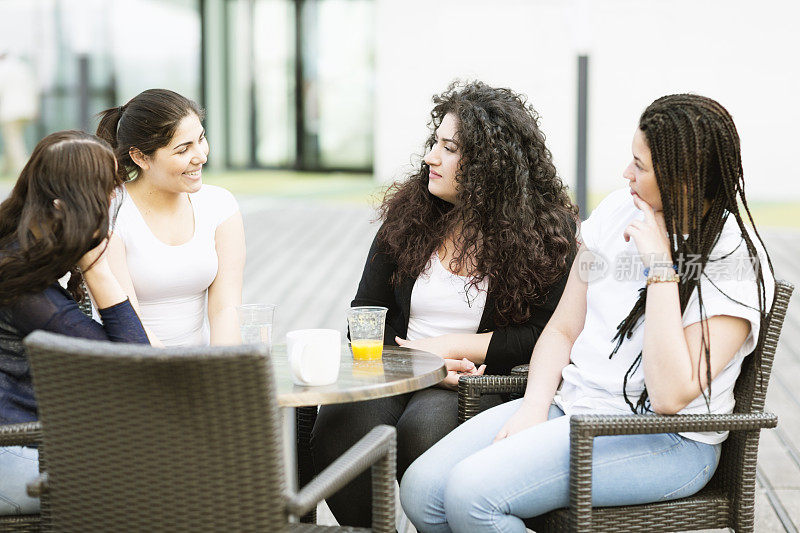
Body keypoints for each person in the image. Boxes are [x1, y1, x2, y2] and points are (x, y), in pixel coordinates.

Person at [399, 93, 775, 533]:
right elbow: (562, 329)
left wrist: (660, 272)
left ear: (682, 179)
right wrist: (534, 408)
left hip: (664, 440)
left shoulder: (731, 260)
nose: (626, 173)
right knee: (422, 491)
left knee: (472, 496)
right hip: (572, 408)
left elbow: (671, 397)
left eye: (641, 165)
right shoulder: (618, 212)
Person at [311, 81, 578, 527]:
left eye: (449, 148)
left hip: (476, 383)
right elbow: (364, 316)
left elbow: (542, 336)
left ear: (493, 167)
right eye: (436, 142)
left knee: (424, 431)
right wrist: (412, 360)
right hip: (395, 370)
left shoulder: (547, 237)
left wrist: (452, 348)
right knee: (341, 426)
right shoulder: (408, 218)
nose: (431, 157)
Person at [0, 131, 150, 515]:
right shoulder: (23, 286)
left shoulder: (22, 252)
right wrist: (98, 268)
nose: (115, 199)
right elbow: (134, 366)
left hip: (31, 446)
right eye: (107, 190)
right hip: (15, 453)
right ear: (67, 205)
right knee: (163, 479)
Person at [96, 89, 245, 347]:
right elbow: (128, 323)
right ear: (140, 157)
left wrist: (223, 373)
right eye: (183, 150)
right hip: (132, 366)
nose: (201, 156)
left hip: (195, 368)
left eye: (201, 139)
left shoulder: (220, 205)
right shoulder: (111, 211)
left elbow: (225, 311)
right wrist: (176, 376)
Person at [0, 51, 39, 176]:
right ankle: (5, 169)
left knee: (13, 141)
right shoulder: (23, 68)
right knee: (12, 139)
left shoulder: (3, 68)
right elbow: (34, 88)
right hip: (26, 109)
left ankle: (24, 171)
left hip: (11, 111)